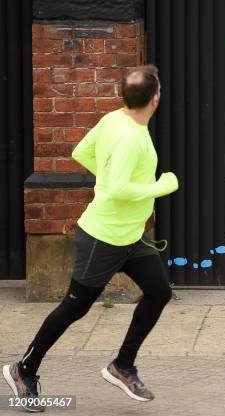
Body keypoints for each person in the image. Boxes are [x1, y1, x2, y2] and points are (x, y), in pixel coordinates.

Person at [3, 64, 178, 411]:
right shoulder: (131, 137)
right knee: (75, 306)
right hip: (103, 238)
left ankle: (122, 366)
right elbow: (117, 190)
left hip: (130, 237)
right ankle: (24, 369)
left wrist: (112, 178)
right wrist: (162, 185)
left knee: (159, 292)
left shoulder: (114, 119)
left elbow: (80, 153)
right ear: (156, 99)